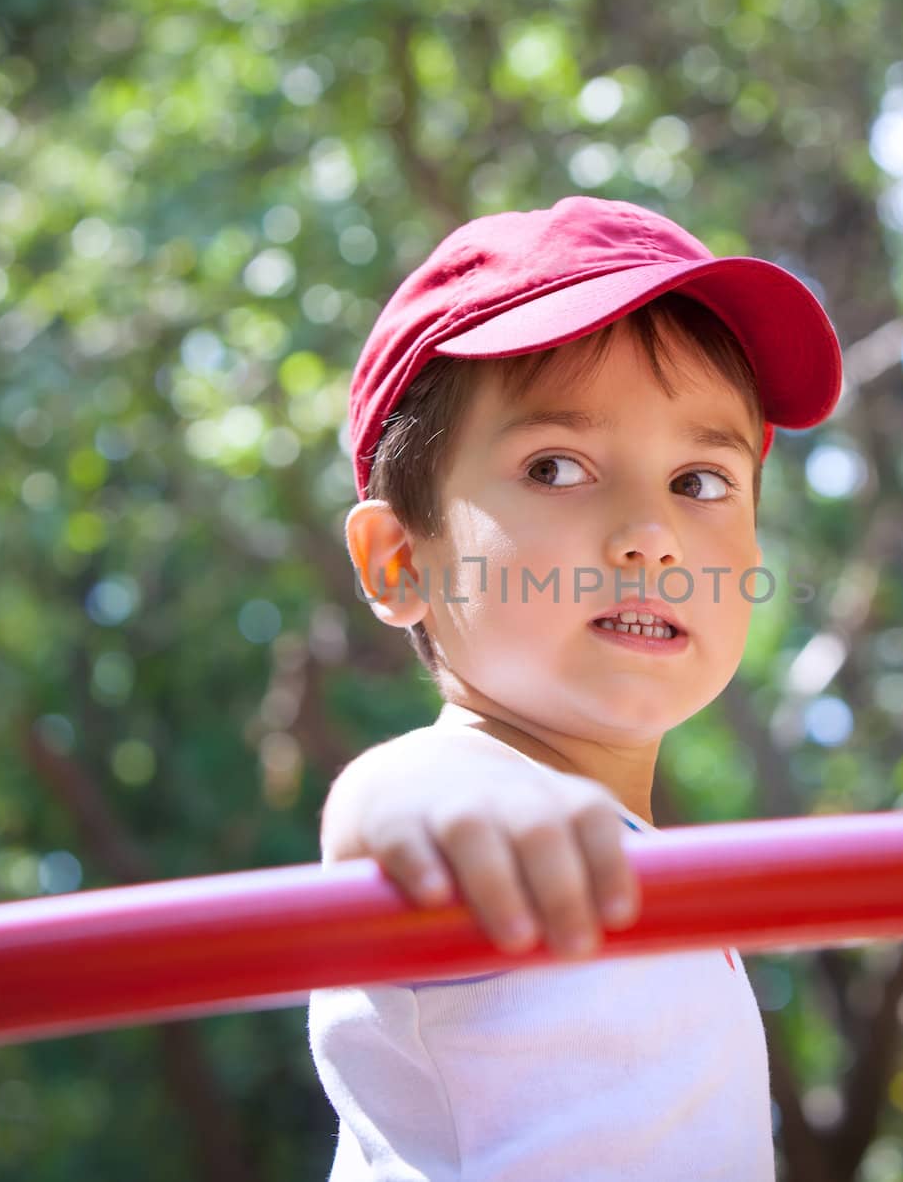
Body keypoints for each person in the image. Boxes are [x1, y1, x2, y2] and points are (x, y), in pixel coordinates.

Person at [309, 195, 843, 1181]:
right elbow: (398, 807)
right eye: (557, 467)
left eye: (701, 482)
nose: (652, 530)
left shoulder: (644, 871)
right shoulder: (477, 821)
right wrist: (419, 805)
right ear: (397, 561)